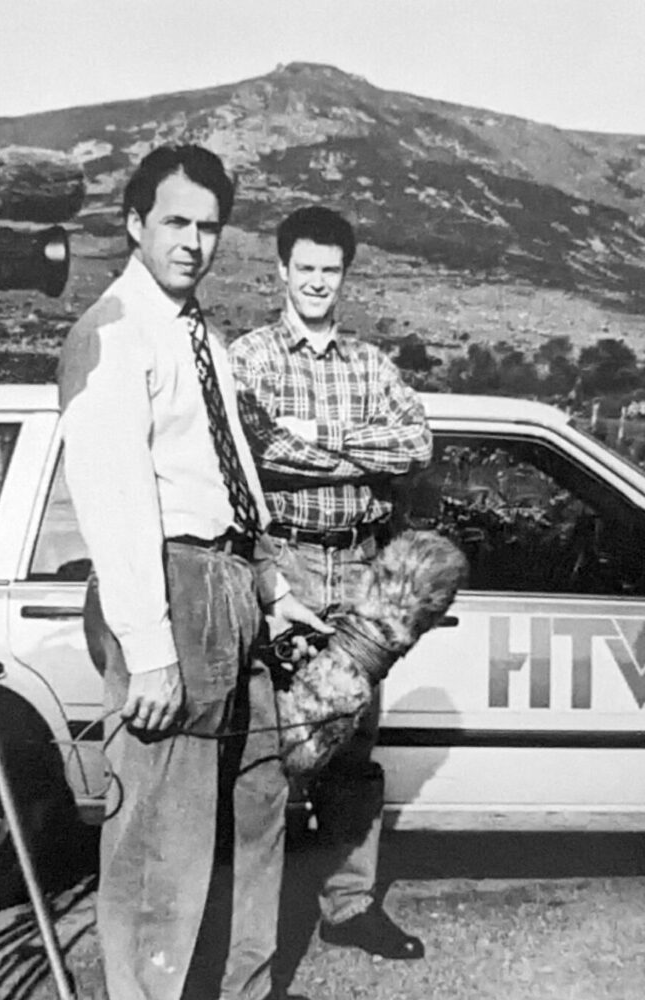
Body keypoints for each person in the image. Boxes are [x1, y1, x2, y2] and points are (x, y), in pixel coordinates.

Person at [57, 144, 328, 1000]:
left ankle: (234, 987)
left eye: (208, 226)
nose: (194, 242)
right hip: (164, 590)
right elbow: (114, 500)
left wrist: (267, 582)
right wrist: (152, 647)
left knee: (256, 795)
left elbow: (222, 469)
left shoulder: (192, 330)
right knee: (161, 846)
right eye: (175, 222)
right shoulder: (113, 332)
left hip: (225, 584)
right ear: (134, 224)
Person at [230, 205, 433, 961]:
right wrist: (357, 454)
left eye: (330, 270)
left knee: (354, 738)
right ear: (280, 270)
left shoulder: (371, 365)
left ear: (344, 275)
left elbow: (415, 446)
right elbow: (261, 449)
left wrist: (319, 443)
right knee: (278, 739)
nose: (316, 282)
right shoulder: (247, 358)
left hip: (361, 563)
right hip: (283, 563)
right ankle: (258, 922)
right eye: (304, 268)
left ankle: (349, 906)